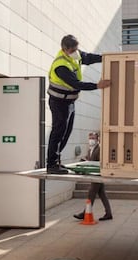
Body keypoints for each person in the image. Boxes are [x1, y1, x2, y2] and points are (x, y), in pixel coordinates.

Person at [46, 34, 111, 174]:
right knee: (58, 132)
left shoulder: (74, 55)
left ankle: (56, 162)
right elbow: (76, 84)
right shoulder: (61, 65)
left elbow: (87, 57)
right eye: (73, 49)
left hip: (69, 101)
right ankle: (51, 164)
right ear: (65, 48)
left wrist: (104, 58)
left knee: (66, 132)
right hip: (59, 102)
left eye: (77, 48)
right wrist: (97, 85)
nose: (76, 52)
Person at [73, 132, 113, 221]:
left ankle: (85, 213)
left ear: (97, 139)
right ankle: (108, 213)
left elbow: (99, 162)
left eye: (93, 138)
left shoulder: (99, 149)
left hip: (97, 175)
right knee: (102, 194)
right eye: (90, 138)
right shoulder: (90, 149)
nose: (91, 140)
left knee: (91, 193)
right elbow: (89, 158)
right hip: (94, 175)